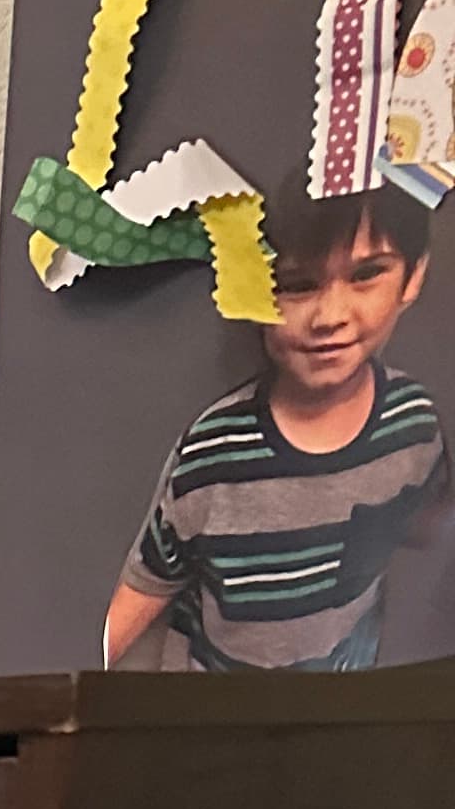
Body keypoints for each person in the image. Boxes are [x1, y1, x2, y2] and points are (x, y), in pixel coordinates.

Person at [104, 181, 450, 668]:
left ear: (413, 278)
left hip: (339, 711)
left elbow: (428, 546)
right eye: (296, 284)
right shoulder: (211, 453)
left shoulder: (416, 424)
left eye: (367, 274)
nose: (331, 317)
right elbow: (135, 602)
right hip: (215, 711)